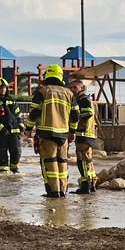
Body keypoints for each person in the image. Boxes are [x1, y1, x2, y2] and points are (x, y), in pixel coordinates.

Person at [29, 63, 73, 198]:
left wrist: (28, 128)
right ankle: (63, 191)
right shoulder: (69, 93)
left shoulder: (43, 91)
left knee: (49, 162)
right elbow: (75, 115)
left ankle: (53, 192)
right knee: (62, 162)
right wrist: (72, 131)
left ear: (47, 75)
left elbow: (34, 112)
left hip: (46, 133)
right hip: (64, 135)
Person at [69, 77, 99, 194]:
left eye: (75, 87)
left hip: (83, 134)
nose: (72, 89)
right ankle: (92, 184)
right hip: (87, 134)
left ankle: (85, 185)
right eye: (71, 87)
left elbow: (88, 113)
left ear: (82, 88)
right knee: (88, 160)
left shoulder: (83, 99)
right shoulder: (84, 99)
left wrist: (75, 117)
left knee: (82, 160)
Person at [0, 75, 21, 175]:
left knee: (16, 152)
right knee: (2, 153)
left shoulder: (12, 100)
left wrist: (21, 126)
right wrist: (2, 129)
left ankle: (14, 171)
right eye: (0, 88)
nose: (3, 90)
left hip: (14, 131)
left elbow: (17, 115)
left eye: (4, 88)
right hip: (0, 133)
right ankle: (3, 173)